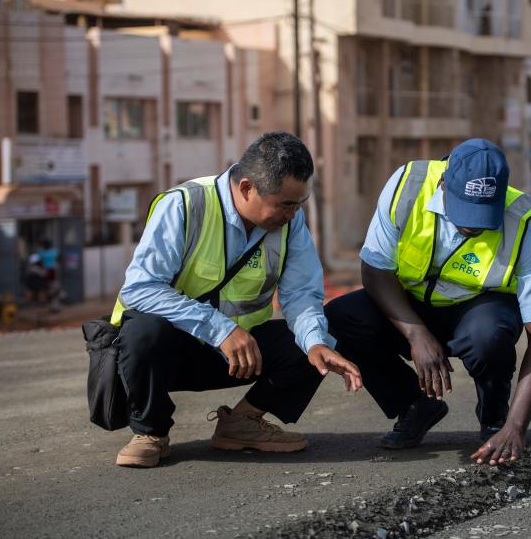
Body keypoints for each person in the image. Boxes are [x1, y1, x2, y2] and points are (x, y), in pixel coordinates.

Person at [109, 132, 362, 468]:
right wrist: (220, 329)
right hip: (167, 355)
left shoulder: (290, 221)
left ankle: (241, 423)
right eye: (285, 204)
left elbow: (301, 294)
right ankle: (151, 432)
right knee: (143, 330)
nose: (293, 213)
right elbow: (140, 289)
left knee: (321, 339)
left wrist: (315, 342)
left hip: (238, 356)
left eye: (299, 203)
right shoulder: (185, 205)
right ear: (246, 188)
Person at [325, 138, 531, 466]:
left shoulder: (525, 225)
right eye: (465, 209)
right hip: (408, 304)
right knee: (339, 317)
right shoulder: (408, 186)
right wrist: (416, 335)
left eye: (483, 215)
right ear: (443, 183)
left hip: (477, 310)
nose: (473, 225)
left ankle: (494, 419)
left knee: (489, 335)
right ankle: (417, 405)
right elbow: (374, 271)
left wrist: (516, 426)